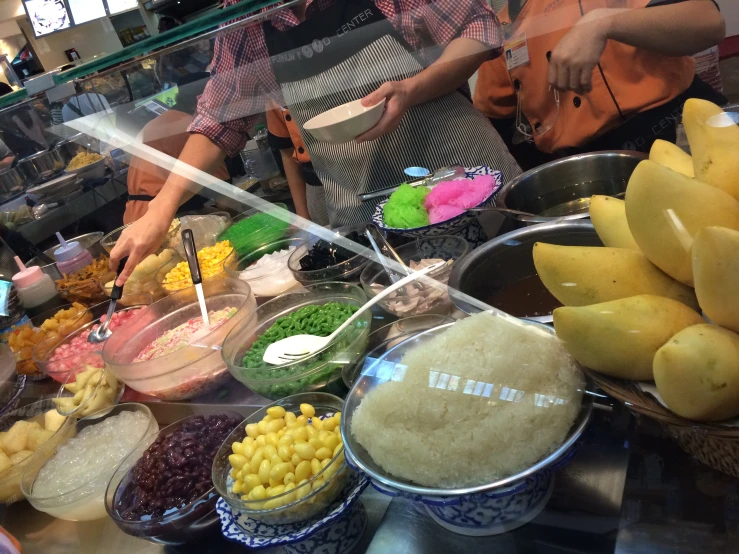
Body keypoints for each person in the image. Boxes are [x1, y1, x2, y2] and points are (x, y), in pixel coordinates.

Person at [111, 0, 522, 284]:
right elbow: (219, 121)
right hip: (370, 210)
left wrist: (413, 89)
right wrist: (161, 208)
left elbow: (478, 27)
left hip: (462, 176)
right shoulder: (244, 20)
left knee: (516, 280)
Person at [473, 0, 726, 169]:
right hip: (589, 167)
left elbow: (708, 23)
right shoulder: (501, 29)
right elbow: (497, 123)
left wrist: (603, 24)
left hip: (681, 124)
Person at [124, 73, 230, 224]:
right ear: (202, 100)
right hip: (160, 218)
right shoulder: (192, 128)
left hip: (138, 215)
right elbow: (222, 194)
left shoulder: (162, 121)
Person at [266, 102, 329, 225]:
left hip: (366, 172)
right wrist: (302, 217)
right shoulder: (271, 95)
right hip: (318, 189)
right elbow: (288, 154)